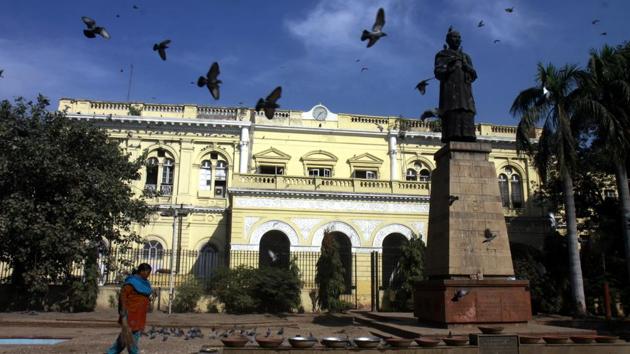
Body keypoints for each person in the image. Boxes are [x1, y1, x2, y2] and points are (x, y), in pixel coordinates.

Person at [434, 28, 478, 143]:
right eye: (454, 37)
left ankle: (468, 136)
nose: (457, 39)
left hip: (465, 91)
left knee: (466, 110)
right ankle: (452, 136)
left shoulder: (466, 57)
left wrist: (465, 65)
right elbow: (438, 72)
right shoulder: (442, 55)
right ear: (448, 40)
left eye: (459, 38)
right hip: (450, 91)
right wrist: (450, 67)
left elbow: (474, 75)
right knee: (452, 111)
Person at [106, 263, 152, 354]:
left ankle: (111, 352)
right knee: (131, 337)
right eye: (147, 272)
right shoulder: (131, 282)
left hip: (140, 315)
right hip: (131, 314)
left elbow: (145, 296)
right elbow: (123, 297)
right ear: (141, 271)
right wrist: (123, 312)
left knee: (124, 338)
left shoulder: (145, 283)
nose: (148, 275)